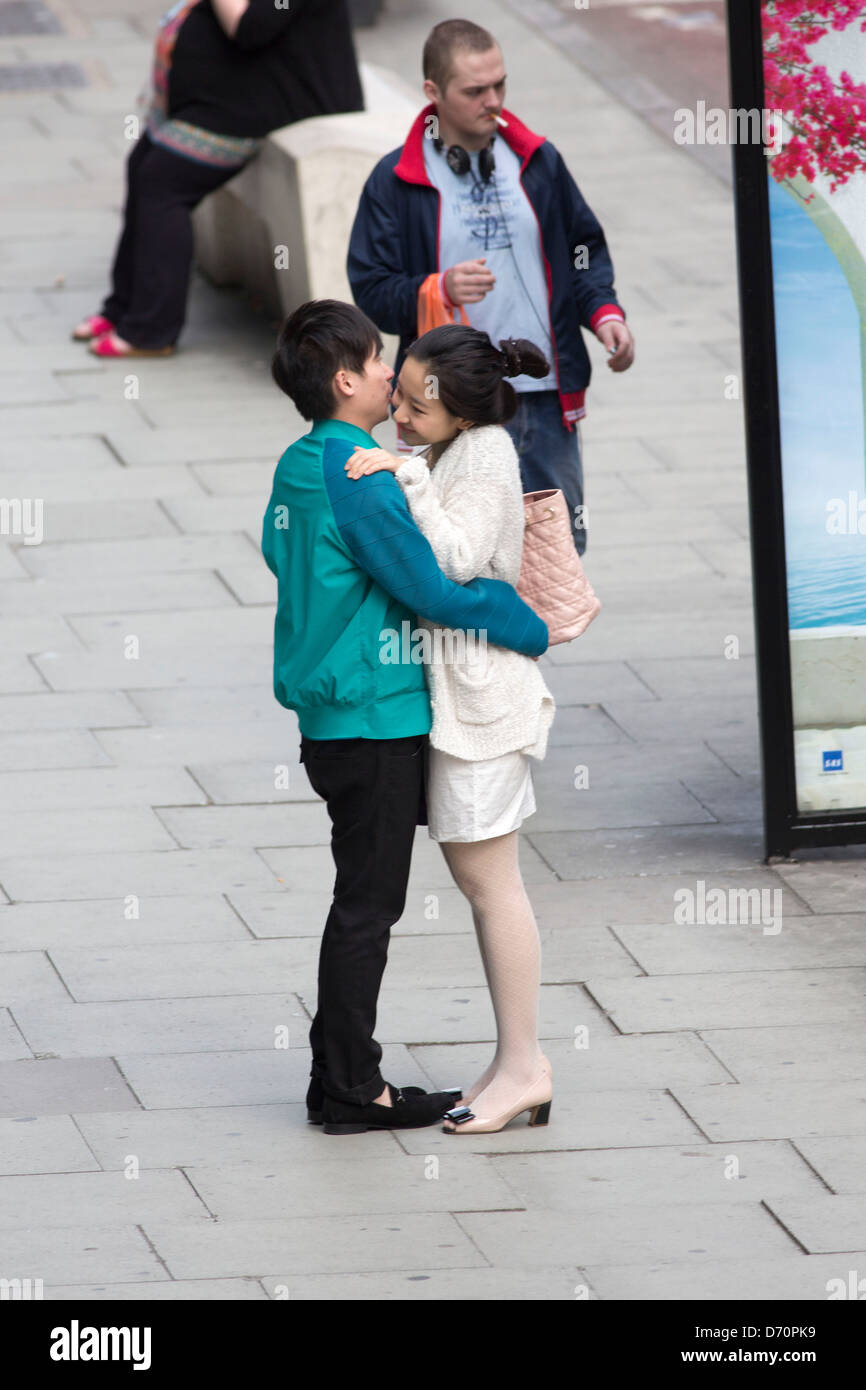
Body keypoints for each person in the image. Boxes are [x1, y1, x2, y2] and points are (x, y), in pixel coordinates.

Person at [260, 299, 549, 1136]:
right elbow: (431, 586)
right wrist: (525, 625)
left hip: (327, 716)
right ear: (346, 379)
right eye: (382, 363)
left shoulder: (301, 461)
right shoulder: (361, 474)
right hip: (375, 717)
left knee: (363, 896)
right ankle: (354, 1088)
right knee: (368, 907)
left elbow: (280, 554)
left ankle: (340, 1078)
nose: (392, 377)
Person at [344, 324, 555, 1135]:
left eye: (416, 408)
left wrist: (405, 479)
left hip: (485, 704)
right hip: (460, 699)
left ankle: (527, 1065)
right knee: (482, 884)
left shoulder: (487, 455)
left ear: (461, 413)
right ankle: (513, 1062)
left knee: (490, 883)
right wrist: (412, 466)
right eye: (398, 395)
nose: (399, 412)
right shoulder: (454, 449)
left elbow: (461, 558)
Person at [347, 16, 635, 556]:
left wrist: (604, 314)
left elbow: (583, 250)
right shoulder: (396, 180)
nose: (494, 101)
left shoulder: (539, 162)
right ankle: (475, 642)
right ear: (432, 93)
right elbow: (371, 288)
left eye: (500, 85)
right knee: (456, 547)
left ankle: (533, 643)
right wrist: (438, 287)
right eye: (475, 90)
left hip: (544, 394)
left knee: (557, 549)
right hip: (450, 402)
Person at [72, 0, 363, 357]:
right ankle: (121, 309)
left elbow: (252, 27)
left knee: (163, 182)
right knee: (142, 163)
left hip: (289, 97)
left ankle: (152, 330)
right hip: (248, 89)